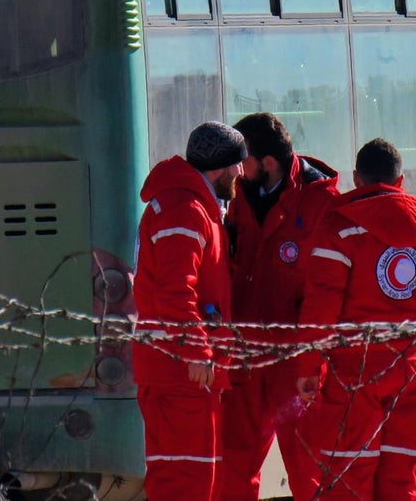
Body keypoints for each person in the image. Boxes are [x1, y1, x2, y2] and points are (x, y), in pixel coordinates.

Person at [295, 138, 416, 501]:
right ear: (400, 181)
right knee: (400, 482)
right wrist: (410, 329)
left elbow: (320, 310)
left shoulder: (339, 231)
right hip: (409, 372)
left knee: (347, 482)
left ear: (357, 179)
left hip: (352, 377)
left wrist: (308, 368)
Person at [220, 112, 339, 501]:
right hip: (245, 351)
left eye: (244, 160)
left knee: (309, 467)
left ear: (268, 162)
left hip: (296, 357)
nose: (237, 168)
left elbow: (330, 288)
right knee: (233, 466)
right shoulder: (239, 196)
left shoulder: (321, 202)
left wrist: (313, 360)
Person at [132, 121, 247, 501]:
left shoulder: (195, 207)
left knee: (201, 480)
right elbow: (175, 290)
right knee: (186, 482)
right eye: (236, 164)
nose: (241, 172)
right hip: (179, 372)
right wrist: (197, 351)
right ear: (219, 168)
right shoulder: (185, 210)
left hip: (187, 372)